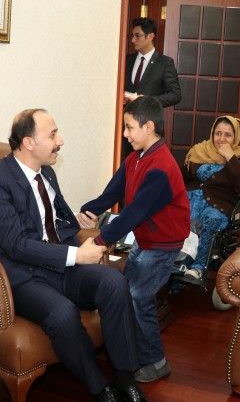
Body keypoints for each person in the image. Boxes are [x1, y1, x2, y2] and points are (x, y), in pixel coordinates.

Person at [0, 109, 146, 402]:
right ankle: (100, 388)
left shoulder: (46, 173)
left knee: (114, 283)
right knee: (62, 314)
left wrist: (77, 221)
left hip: (58, 264)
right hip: (23, 275)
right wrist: (76, 256)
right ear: (29, 143)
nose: (60, 141)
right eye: (52, 135)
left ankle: (124, 376)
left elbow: (51, 219)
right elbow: (17, 245)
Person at [77, 96, 190, 384]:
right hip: (146, 239)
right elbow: (112, 194)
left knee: (139, 297)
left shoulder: (161, 167)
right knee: (127, 293)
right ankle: (130, 351)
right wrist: (85, 212)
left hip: (163, 245)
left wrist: (100, 241)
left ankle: (156, 361)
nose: (126, 134)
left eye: (129, 127)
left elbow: (133, 213)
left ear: (148, 127)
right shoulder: (135, 158)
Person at [181, 115, 240, 280]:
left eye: (228, 135)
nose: (221, 139)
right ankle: (174, 264)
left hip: (218, 205)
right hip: (190, 199)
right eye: (218, 133)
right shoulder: (200, 150)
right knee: (172, 215)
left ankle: (198, 268)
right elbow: (182, 177)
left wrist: (230, 157)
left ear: (235, 137)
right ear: (212, 133)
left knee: (211, 221)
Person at [122, 17, 181, 160]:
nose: (133, 40)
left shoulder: (165, 63)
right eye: (132, 36)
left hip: (149, 127)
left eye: (137, 36)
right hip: (127, 127)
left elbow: (175, 95)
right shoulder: (126, 60)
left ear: (150, 36)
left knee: (149, 164)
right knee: (126, 164)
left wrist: (147, 100)